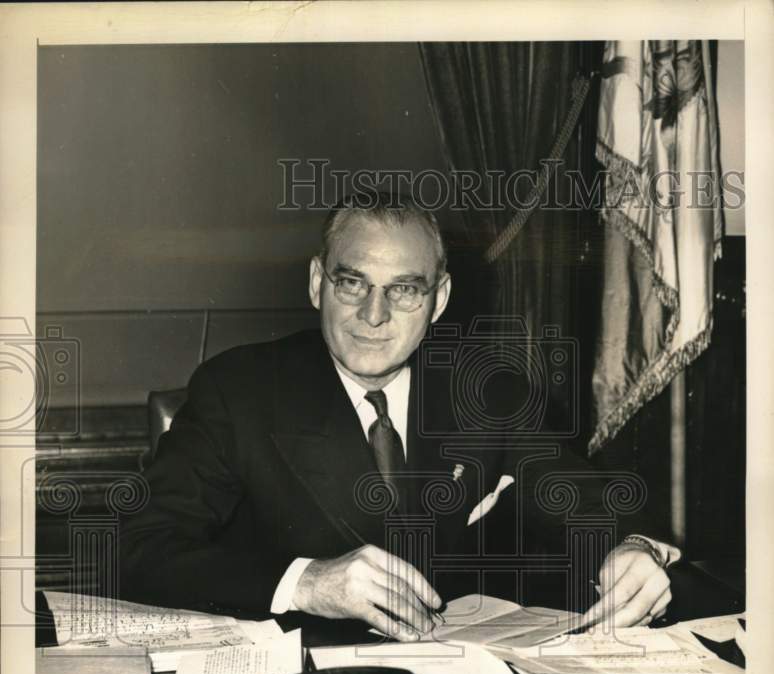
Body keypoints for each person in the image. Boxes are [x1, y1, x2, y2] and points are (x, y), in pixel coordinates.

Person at [120, 192, 678, 638]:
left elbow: (587, 496)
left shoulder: (487, 392)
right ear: (318, 283)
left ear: (438, 300)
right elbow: (140, 548)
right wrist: (308, 582)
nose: (374, 314)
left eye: (404, 290)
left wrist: (634, 547)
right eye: (352, 282)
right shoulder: (237, 391)